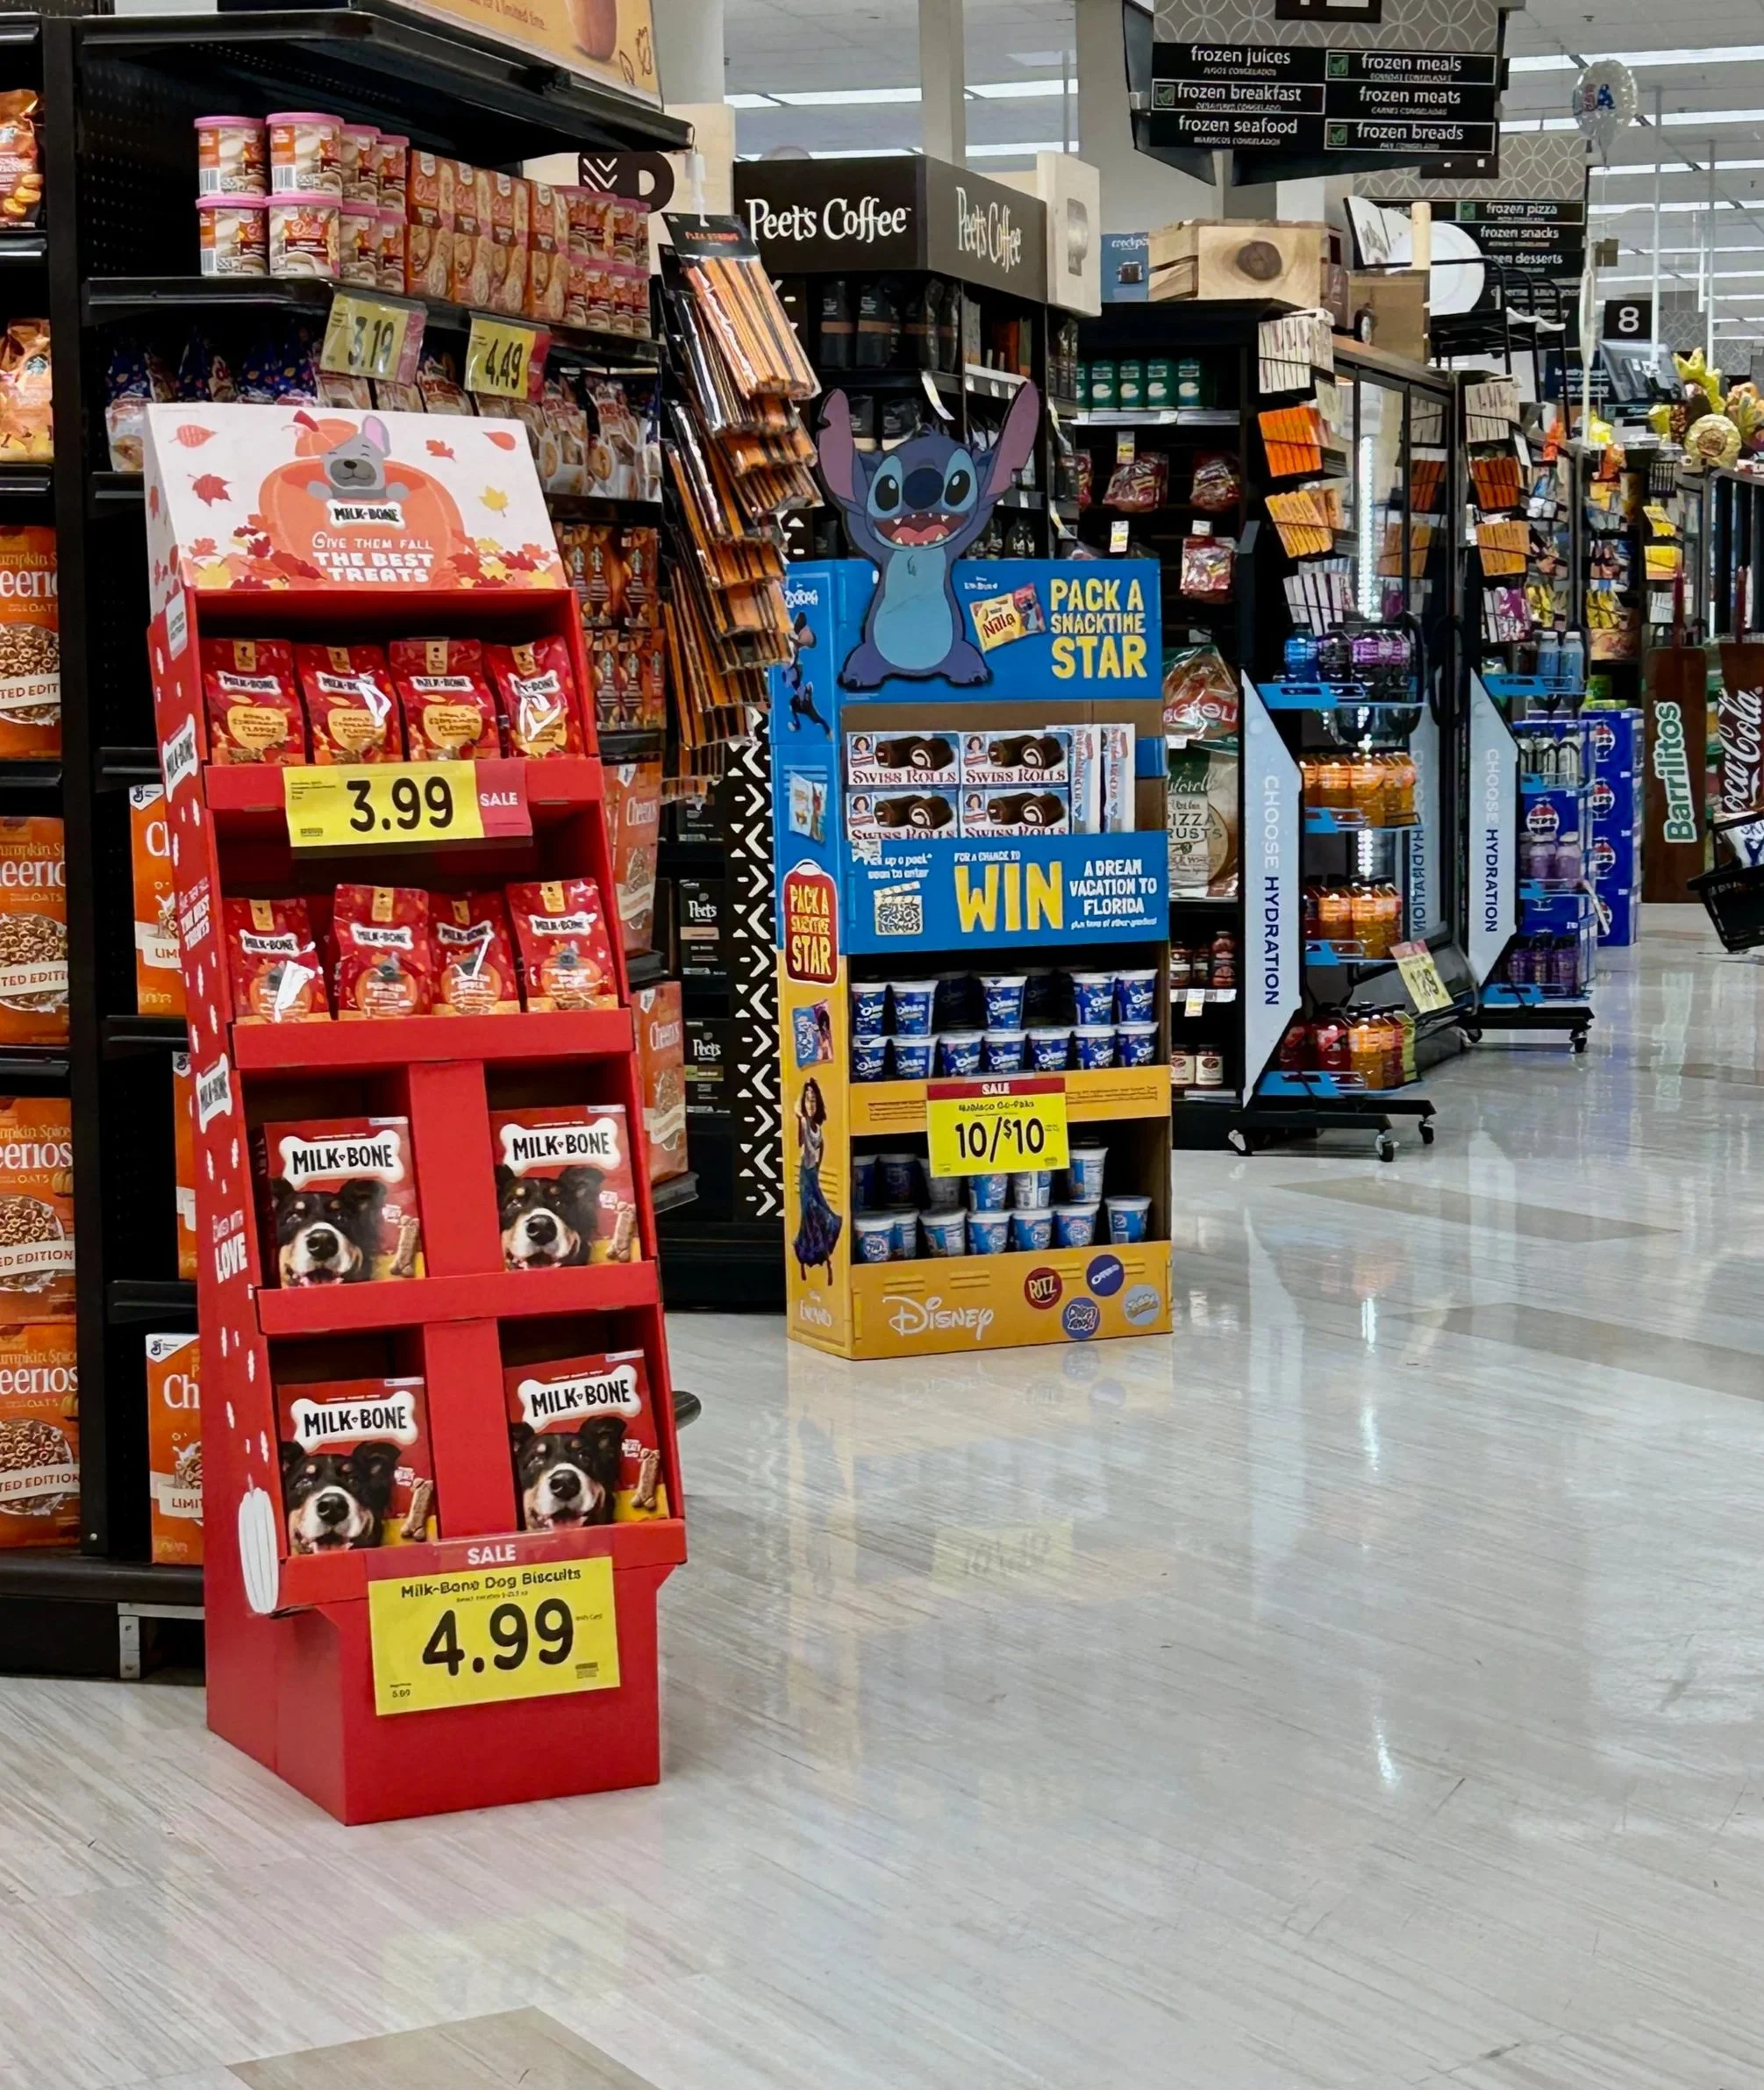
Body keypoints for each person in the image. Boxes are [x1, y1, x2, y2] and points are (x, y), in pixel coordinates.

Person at [792, 1075, 841, 1284]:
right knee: (813, 1217)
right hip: (806, 1177)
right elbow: (807, 1152)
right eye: (807, 1098)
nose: (810, 1103)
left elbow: (818, 1155)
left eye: (813, 1099)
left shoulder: (817, 1127)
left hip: (813, 1175)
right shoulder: (804, 1123)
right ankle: (814, 1261)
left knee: (825, 1218)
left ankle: (821, 1259)